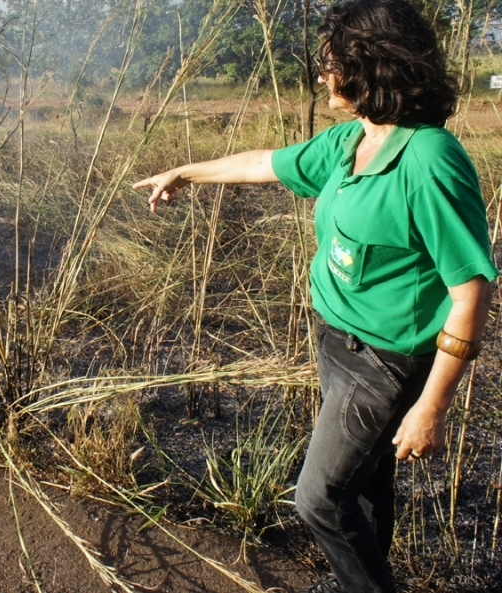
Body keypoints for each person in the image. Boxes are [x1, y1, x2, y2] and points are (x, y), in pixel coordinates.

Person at [132, 1, 498, 592]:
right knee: (366, 486)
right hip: (335, 344)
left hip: (385, 362)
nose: (323, 76)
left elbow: (471, 290)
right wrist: (185, 172)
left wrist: (432, 407)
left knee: (320, 499)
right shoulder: (353, 139)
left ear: (372, 67)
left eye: (332, 64)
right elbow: (264, 165)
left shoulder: (429, 158)